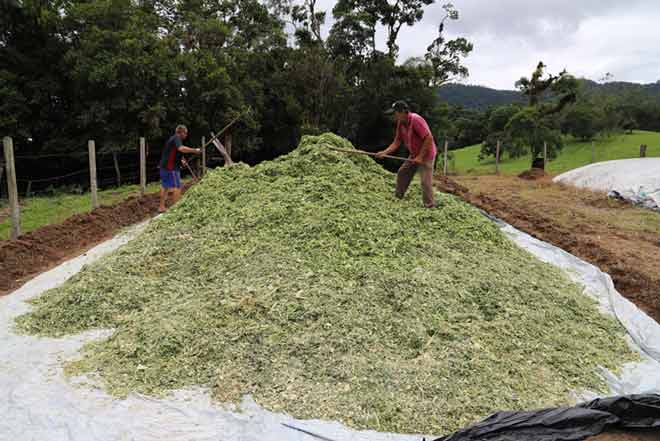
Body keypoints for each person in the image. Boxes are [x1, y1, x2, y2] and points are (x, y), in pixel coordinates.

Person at [376, 101, 438, 208]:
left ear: (403, 112)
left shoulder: (415, 120)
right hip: (414, 154)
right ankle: (398, 197)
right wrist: (384, 152)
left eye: (395, 113)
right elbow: (397, 141)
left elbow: (428, 138)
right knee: (402, 172)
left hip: (426, 155)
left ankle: (430, 206)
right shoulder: (401, 123)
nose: (393, 116)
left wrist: (420, 157)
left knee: (425, 182)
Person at [159, 125, 201, 212]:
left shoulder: (172, 139)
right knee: (177, 186)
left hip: (164, 166)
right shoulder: (177, 138)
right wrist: (195, 150)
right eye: (185, 133)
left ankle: (161, 207)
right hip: (171, 168)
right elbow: (181, 148)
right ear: (181, 132)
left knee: (165, 186)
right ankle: (176, 209)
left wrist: (182, 160)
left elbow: (173, 152)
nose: (186, 135)